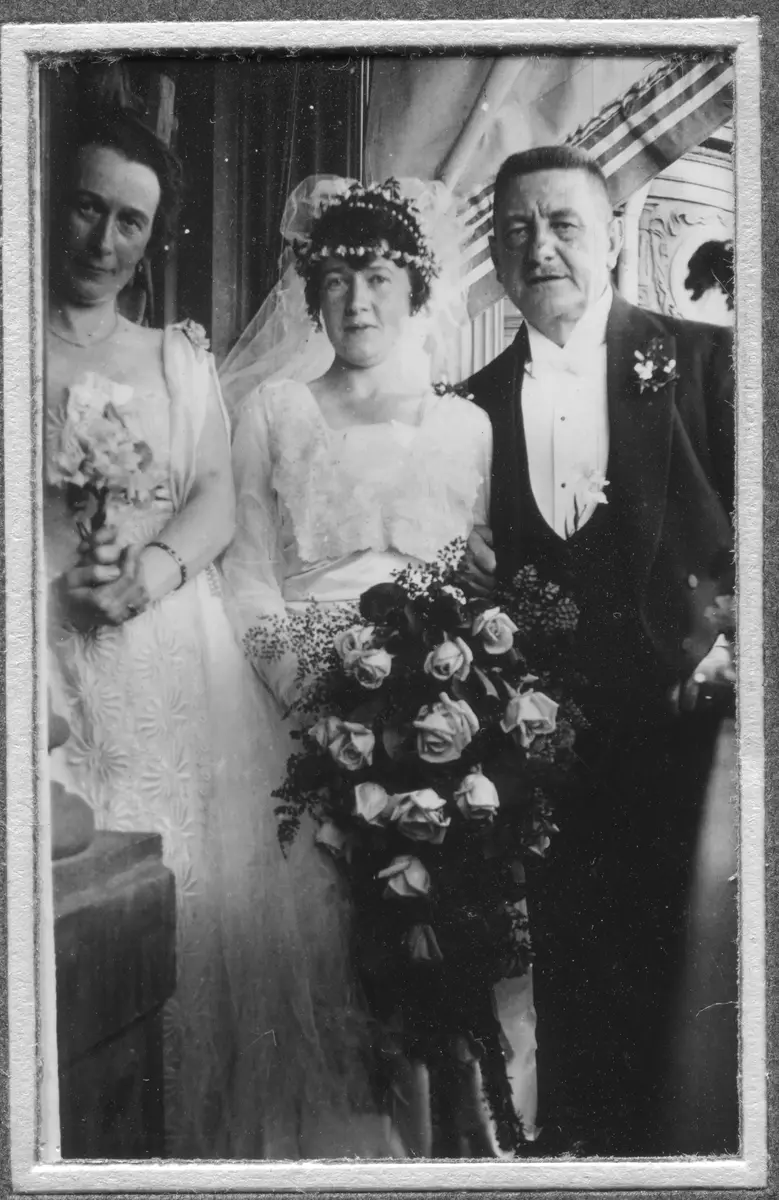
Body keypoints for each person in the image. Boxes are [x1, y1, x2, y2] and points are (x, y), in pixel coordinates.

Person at [219, 175, 538, 1157]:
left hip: (440, 704)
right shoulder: (274, 409)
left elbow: (485, 576)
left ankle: (457, 1144)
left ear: (415, 292)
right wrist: (312, 687)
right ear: (311, 296)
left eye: (379, 279)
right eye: (335, 280)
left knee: (440, 934)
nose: (356, 302)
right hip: (302, 714)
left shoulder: (468, 424)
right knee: (338, 951)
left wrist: (454, 681)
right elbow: (246, 571)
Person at [44, 108, 317, 1158]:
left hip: (162, 654)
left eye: (131, 222)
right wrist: (55, 589)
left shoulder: (173, 357)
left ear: (153, 237)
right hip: (45, 656)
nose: (104, 240)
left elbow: (212, 498)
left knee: (180, 894)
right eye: (86, 208)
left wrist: (146, 575)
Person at [462, 145, 735, 1156]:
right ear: (495, 254)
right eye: (517, 229)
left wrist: (733, 647)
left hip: (689, 725)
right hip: (553, 748)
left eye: (563, 223)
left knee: (686, 995)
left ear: (611, 237)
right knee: (572, 981)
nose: (540, 247)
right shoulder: (468, 405)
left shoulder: (705, 360)